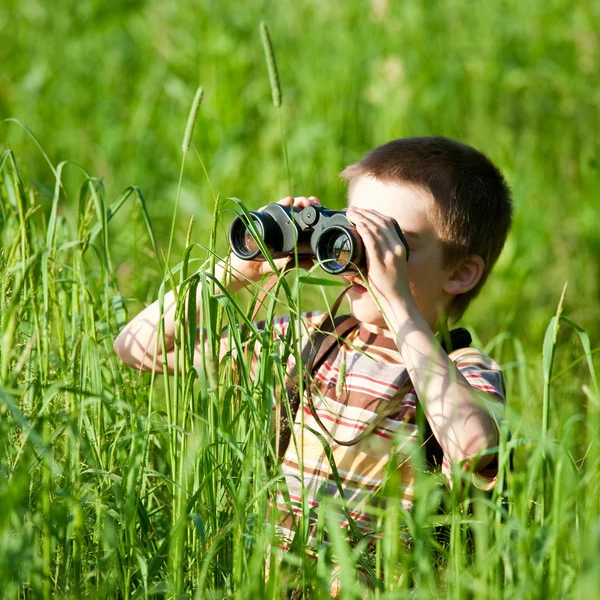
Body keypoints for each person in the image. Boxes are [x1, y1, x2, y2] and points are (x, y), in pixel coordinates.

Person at [114, 136, 511, 587]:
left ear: (459, 273)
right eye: (356, 234)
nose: (367, 258)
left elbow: (474, 447)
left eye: (394, 244)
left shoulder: (461, 367)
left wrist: (397, 304)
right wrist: (240, 269)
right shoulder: (308, 340)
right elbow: (137, 347)